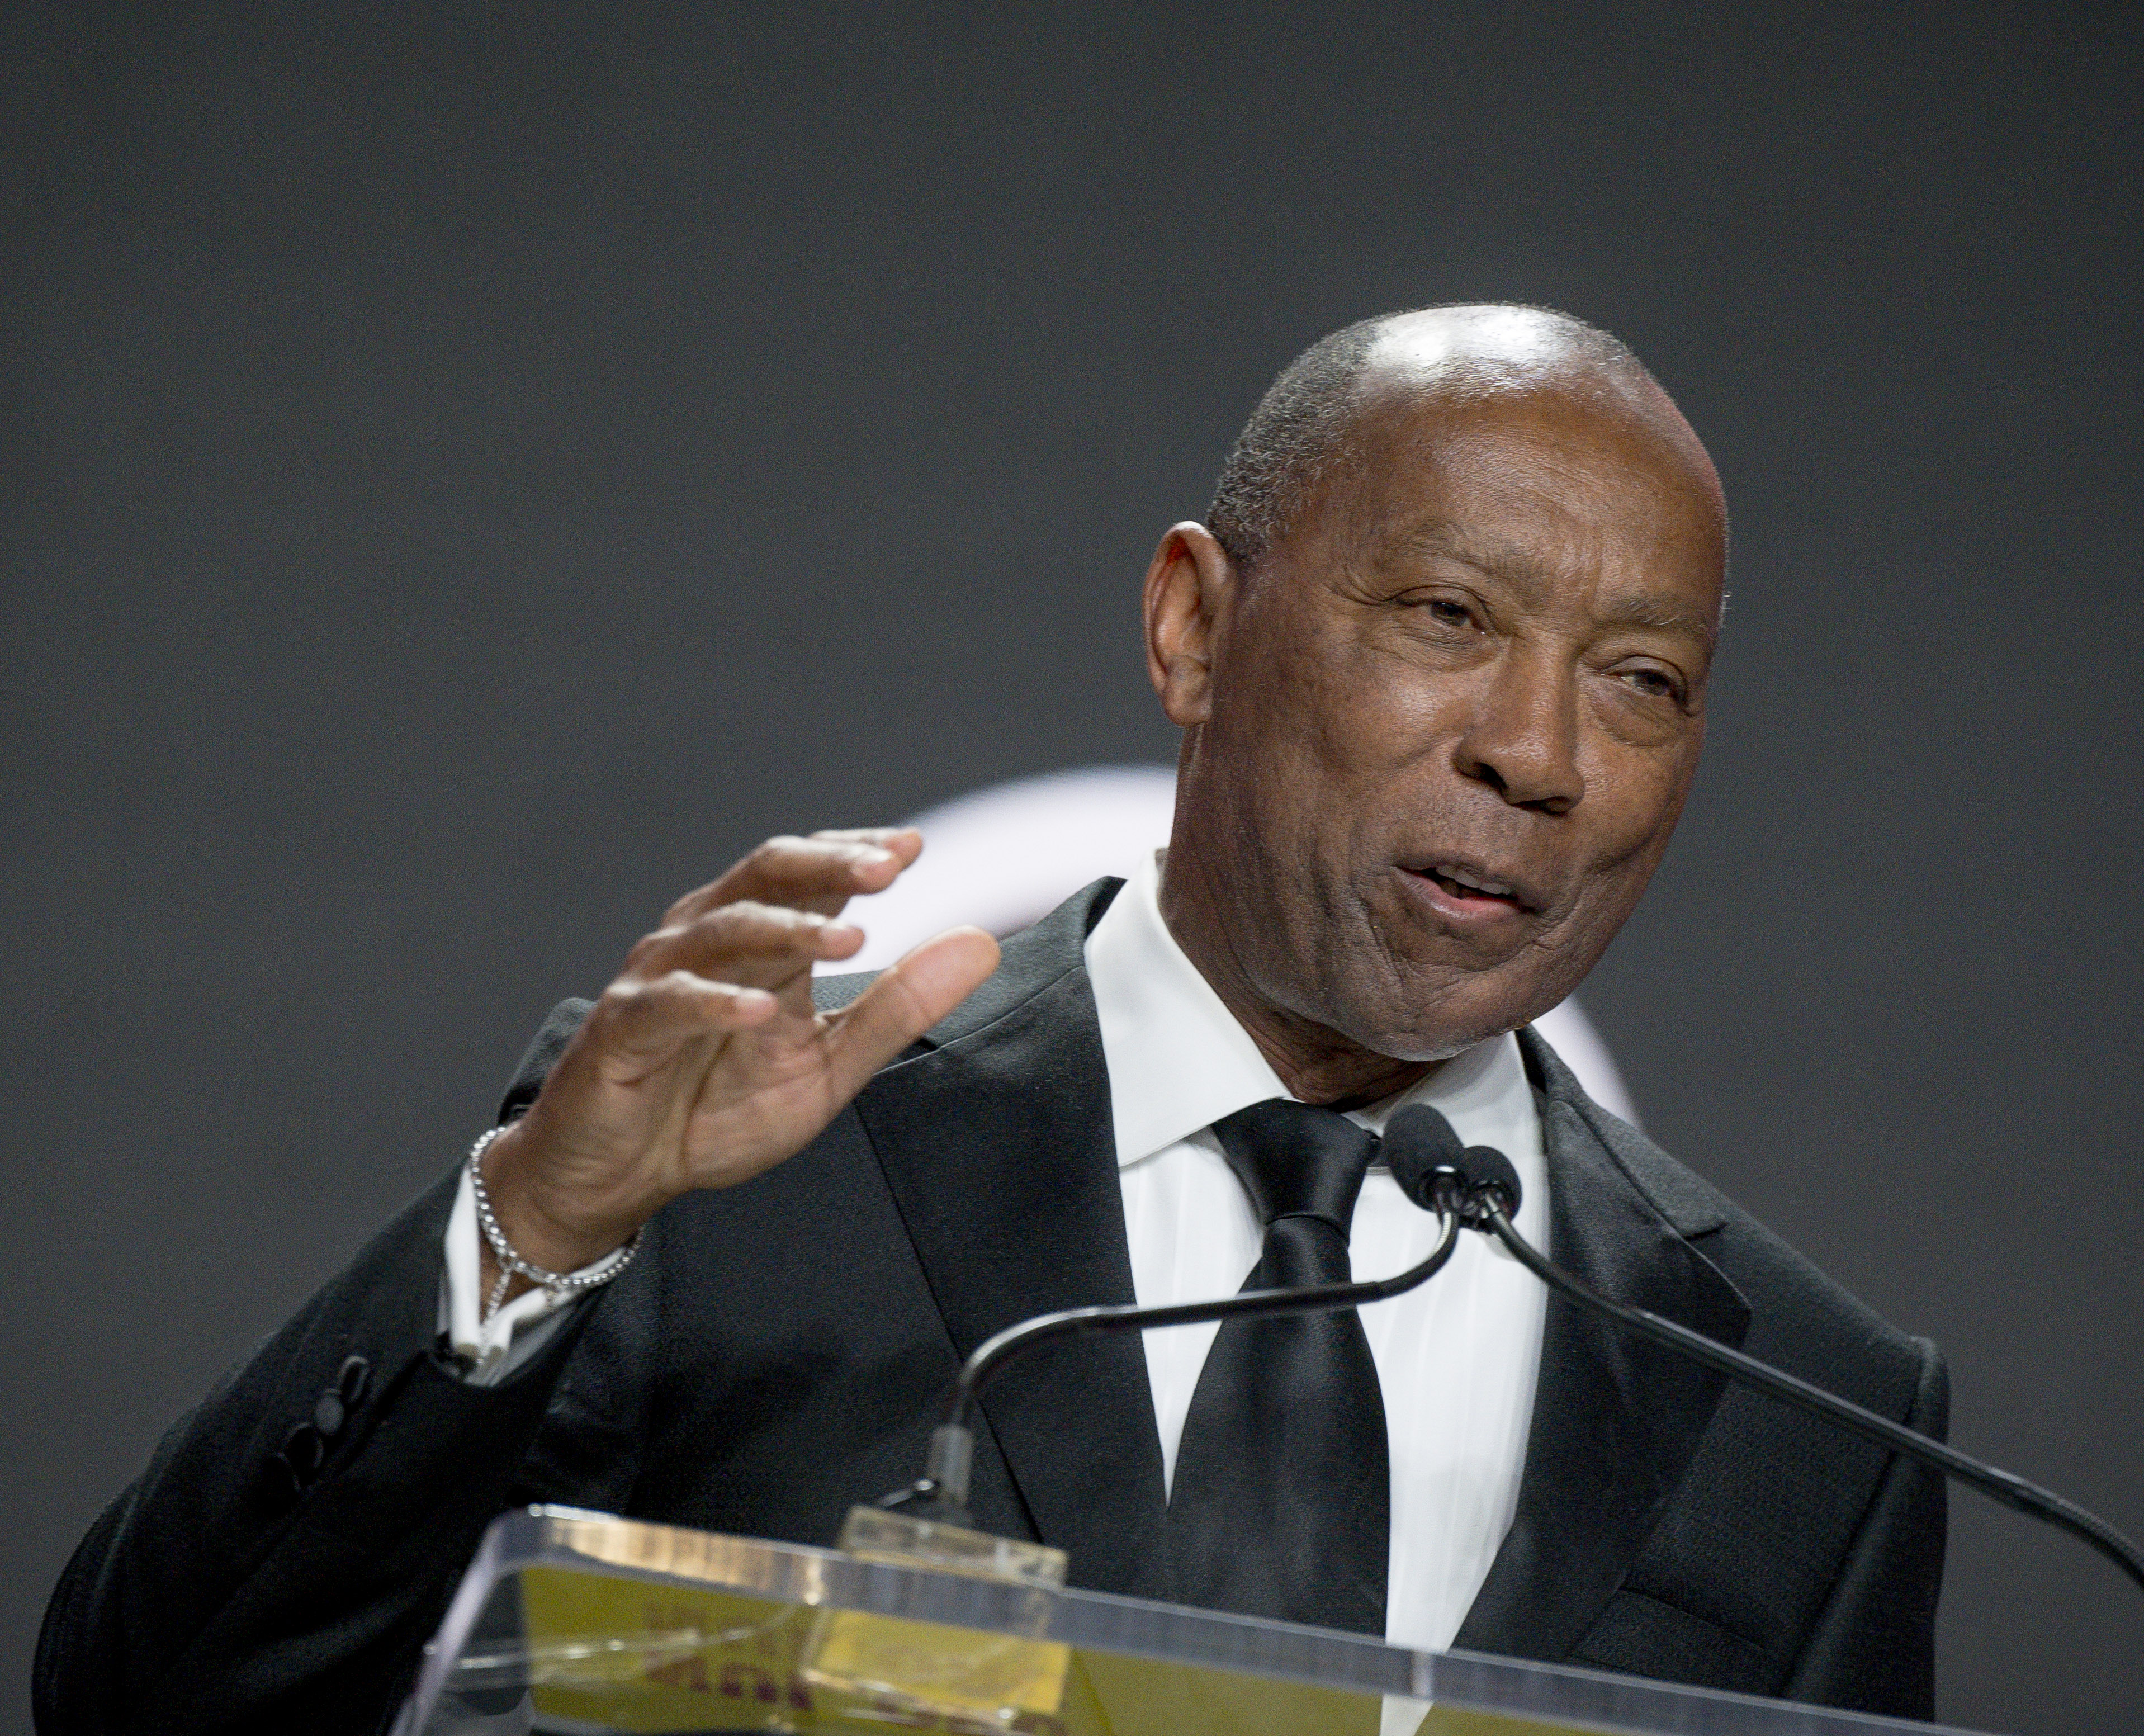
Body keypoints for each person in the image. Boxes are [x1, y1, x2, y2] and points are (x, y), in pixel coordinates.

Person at [36, 304, 1947, 1734]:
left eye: (1640, 680)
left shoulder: (1817, 1406)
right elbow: (156, 1698)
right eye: (1448, 614)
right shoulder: (734, 1176)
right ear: (1193, 626)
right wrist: (532, 1234)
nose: (1536, 751)